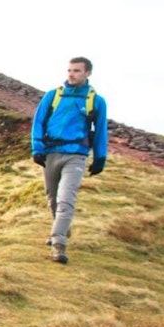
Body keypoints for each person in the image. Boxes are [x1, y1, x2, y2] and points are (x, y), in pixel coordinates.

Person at [31, 57, 108, 264]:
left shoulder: (96, 102)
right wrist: (37, 148)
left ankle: (58, 245)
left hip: (76, 155)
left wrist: (100, 158)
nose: (71, 74)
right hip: (51, 153)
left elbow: (100, 131)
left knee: (66, 200)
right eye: (69, 70)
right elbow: (38, 122)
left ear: (87, 73)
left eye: (76, 71)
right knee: (53, 199)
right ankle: (62, 228)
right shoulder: (53, 96)